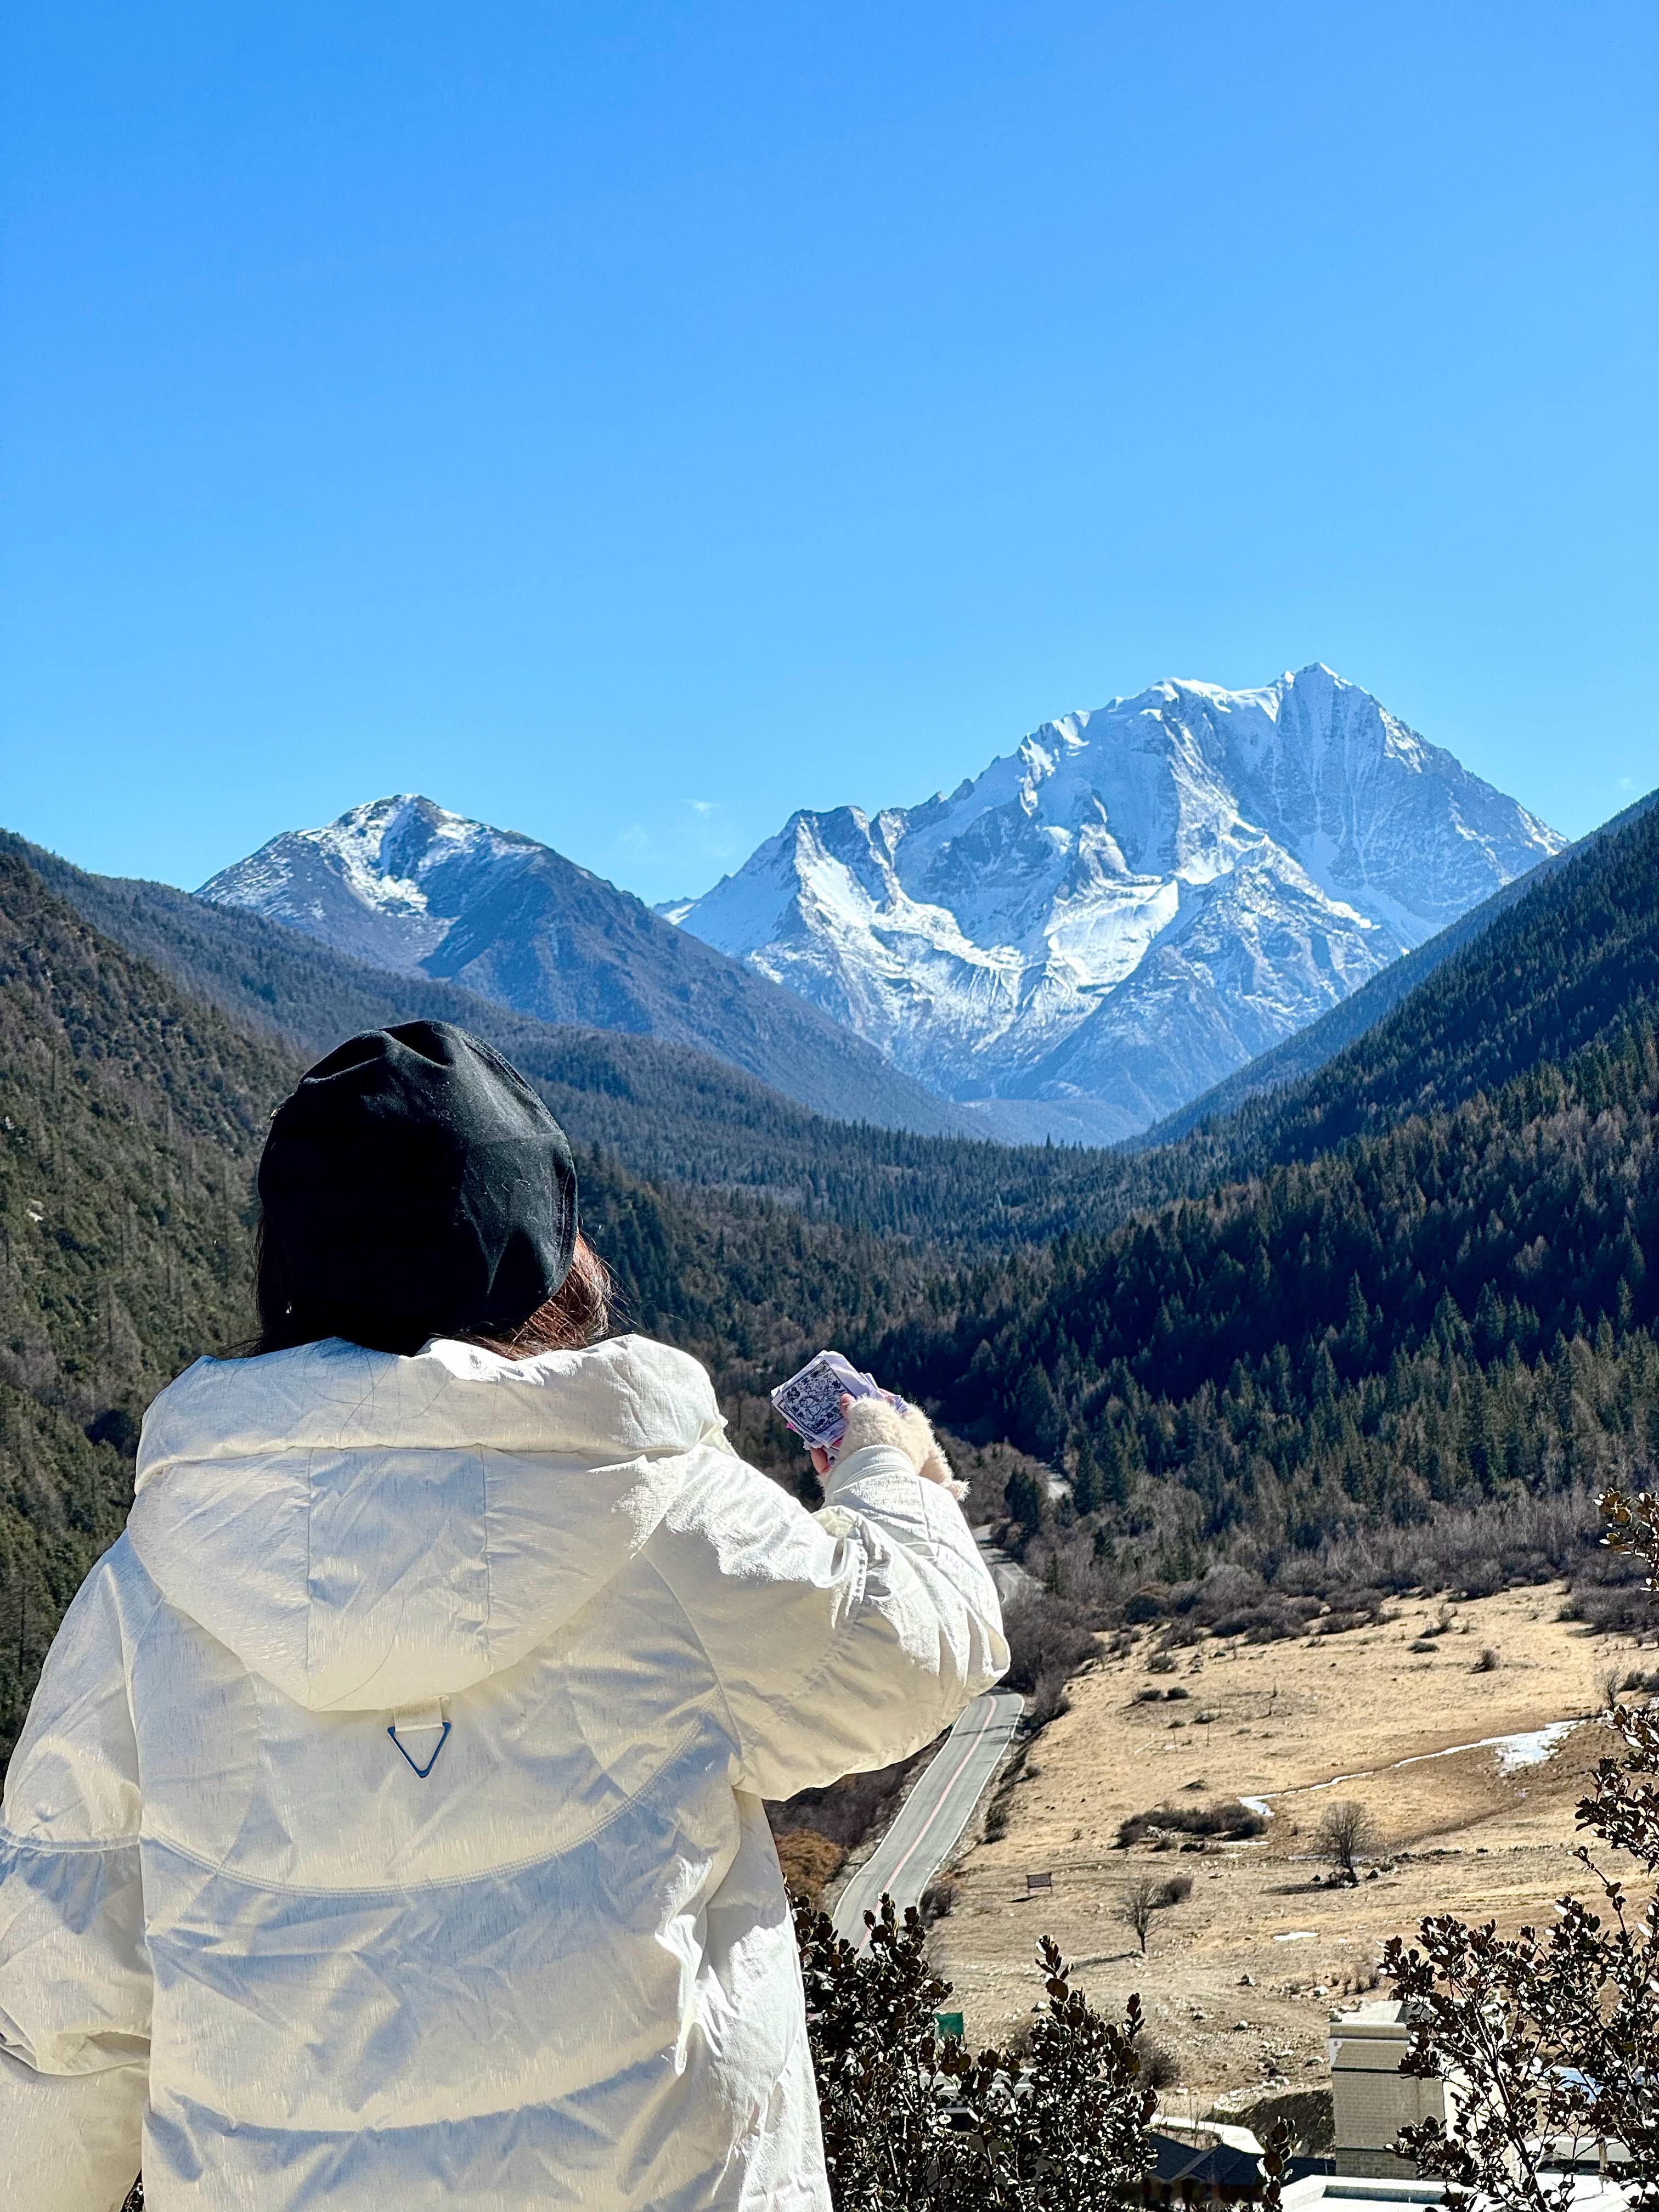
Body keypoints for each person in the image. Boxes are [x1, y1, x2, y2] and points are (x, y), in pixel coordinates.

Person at [0, 1020, 1007, 2211]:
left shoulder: (147, 1590)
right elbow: (920, 1646)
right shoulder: (668, 1520)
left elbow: (59, 2030)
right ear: (553, 1261)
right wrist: (887, 1468)